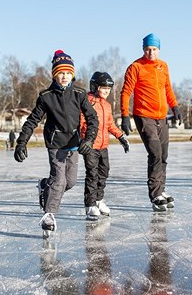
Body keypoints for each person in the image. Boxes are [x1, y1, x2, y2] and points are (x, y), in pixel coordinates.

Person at [14, 50, 98, 237]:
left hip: (74, 144)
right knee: (59, 180)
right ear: (54, 74)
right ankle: (48, 216)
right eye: (61, 73)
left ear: (72, 74)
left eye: (68, 73)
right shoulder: (46, 96)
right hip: (55, 144)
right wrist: (21, 142)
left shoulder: (79, 94)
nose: (65, 76)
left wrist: (89, 139)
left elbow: (93, 118)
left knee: (70, 182)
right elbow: (32, 120)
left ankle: (45, 185)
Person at [120, 33, 181, 211]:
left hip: (161, 117)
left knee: (164, 155)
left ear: (159, 50)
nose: (150, 53)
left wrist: (175, 107)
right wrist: (125, 115)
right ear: (143, 49)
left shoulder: (163, 66)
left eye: (154, 49)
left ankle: (161, 190)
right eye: (147, 49)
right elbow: (126, 92)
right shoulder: (136, 67)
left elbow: (168, 88)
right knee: (155, 153)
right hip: (144, 115)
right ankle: (155, 194)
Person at [80, 71, 130, 220]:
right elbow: (83, 123)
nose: (107, 91)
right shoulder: (87, 102)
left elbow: (110, 124)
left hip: (103, 146)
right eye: (103, 88)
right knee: (92, 175)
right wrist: (85, 140)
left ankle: (99, 200)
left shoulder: (107, 105)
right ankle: (90, 205)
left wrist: (121, 137)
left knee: (104, 173)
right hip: (91, 146)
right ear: (94, 87)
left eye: (109, 89)